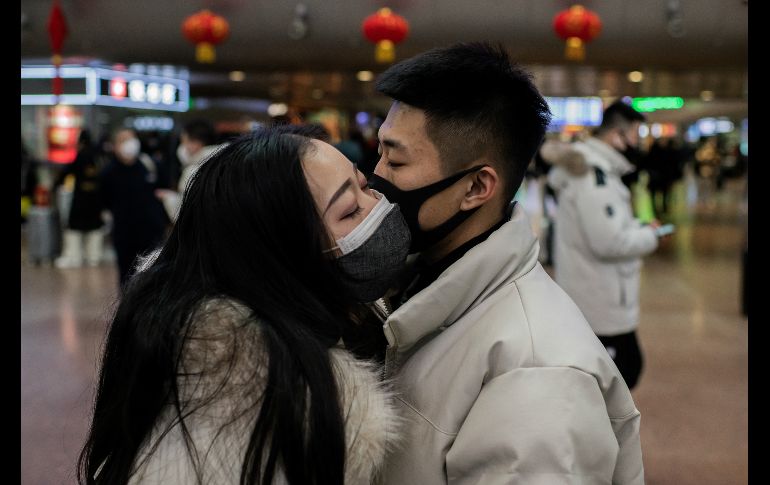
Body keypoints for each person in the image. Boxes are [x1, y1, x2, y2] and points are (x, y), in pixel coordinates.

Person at [368, 42, 644, 484]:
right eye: (378, 152)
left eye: (395, 159)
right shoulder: (421, 285)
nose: (375, 179)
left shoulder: (537, 373)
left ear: (477, 187)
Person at [77, 125, 404, 485]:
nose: (376, 207)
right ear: (283, 253)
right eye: (349, 212)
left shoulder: (341, 314)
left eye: (362, 186)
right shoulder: (250, 424)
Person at [545, 100, 664, 391]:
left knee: (614, 378)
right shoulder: (592, 176)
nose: (637, 143)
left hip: (598, 294)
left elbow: (607, 227)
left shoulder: (598, 171)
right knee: (621, 373)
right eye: (635, 136)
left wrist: (637, 228)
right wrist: (652, 238)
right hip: (600, 300)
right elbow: (608, 241)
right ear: (615, 135)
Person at [99, 128, 170, 288]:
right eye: (123, 140)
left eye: (132, 139)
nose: (130, 144)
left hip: (152, 231)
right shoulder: (108, 173)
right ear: (115, 146)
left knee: (153, 275)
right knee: (127, 275)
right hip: (124, 233)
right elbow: (104, 200)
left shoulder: (150, 165)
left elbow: (164, 191)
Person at [53, 130, 105, 268]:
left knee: (74, 228)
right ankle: (94, 257)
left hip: (80, 199)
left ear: (81, 141)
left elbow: (67, 172)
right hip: (95, 200)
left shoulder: (80, 155)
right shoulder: (97, 157)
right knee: (95, 228)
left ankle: (74, 257)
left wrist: (56, 184)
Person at [156, 119, 223, 221]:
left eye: (184, 141)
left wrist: (168, 198)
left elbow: (185, 217)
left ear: (196, 143)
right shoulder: (227, 163)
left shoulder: (193, 171)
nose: (182, 147)